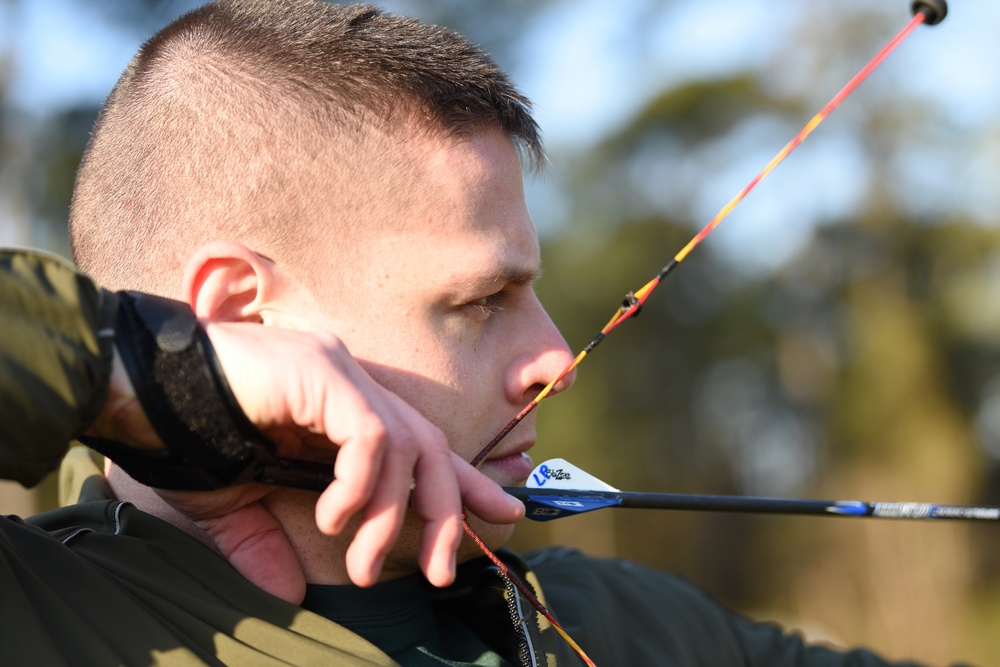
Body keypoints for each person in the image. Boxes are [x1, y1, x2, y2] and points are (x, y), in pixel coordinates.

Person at [0, 1, 972, 665]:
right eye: (478, 302)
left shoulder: (625, 622)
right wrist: (138, 369)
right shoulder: (43, 614)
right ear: (236, 320)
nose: (556, 359)